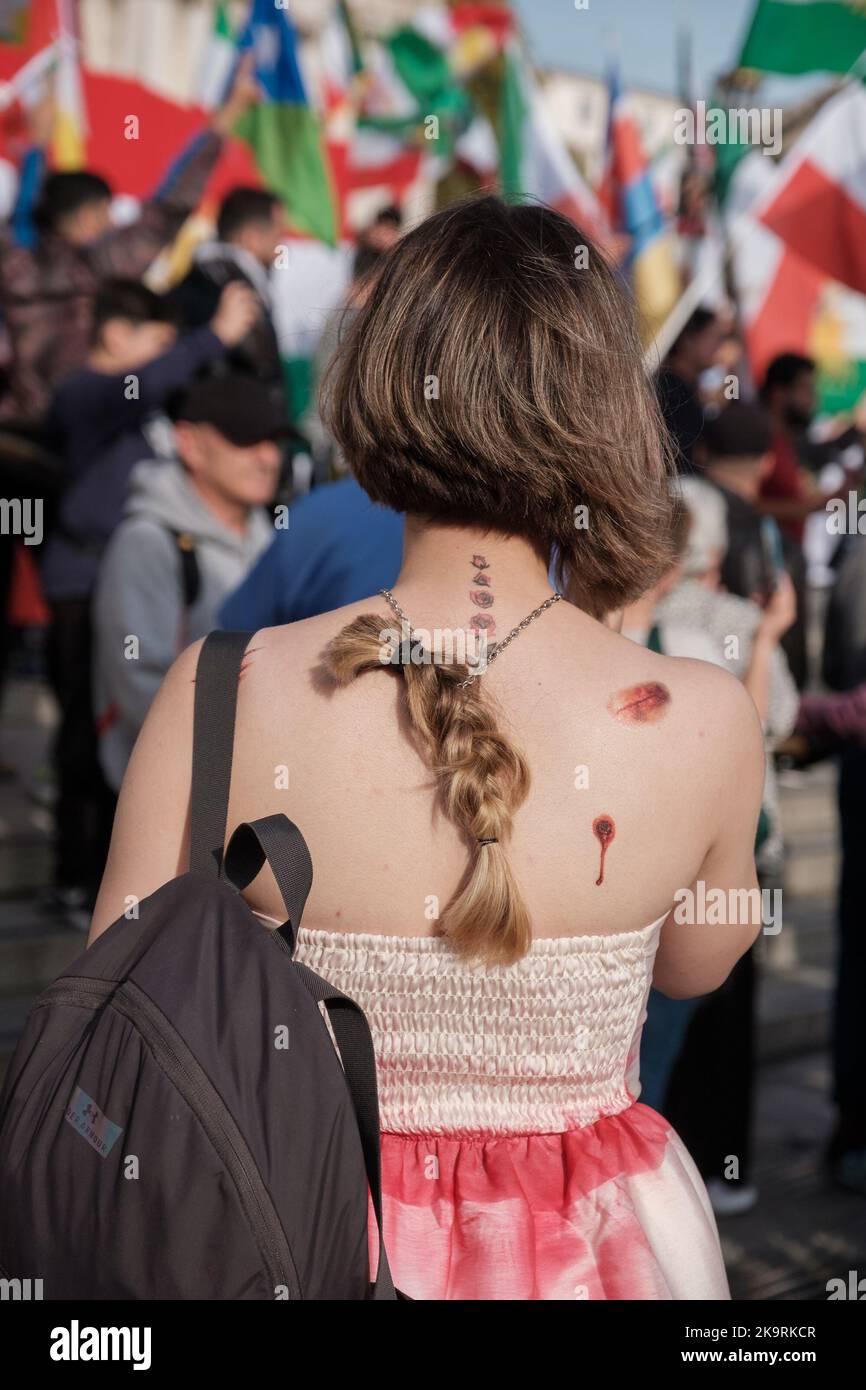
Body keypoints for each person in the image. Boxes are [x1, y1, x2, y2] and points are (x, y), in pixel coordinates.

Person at [90, 196, 767, 1301]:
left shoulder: (224, 688)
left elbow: (117, 992)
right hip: (596, 1249)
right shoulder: (698, 713)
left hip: (286, 1231)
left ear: (379, 381)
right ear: (604, 408)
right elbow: (696, 961)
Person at [38, 277, 257, 921]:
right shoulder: (86, 393)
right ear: (113, 334)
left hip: (132, 572)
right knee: (85, 727)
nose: (167, 359)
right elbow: (153, 382)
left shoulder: (138, 403)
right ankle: (75, 876)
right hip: (81, 582)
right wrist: (212, 336)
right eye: (158, 343)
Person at [0, 61, 259, 432]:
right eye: (106, 215)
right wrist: (230, 113)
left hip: (16, 433)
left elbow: (25, 214)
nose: (112, 225)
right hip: (79, 438)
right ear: (89, 218)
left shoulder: (13, 263)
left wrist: (37, 146)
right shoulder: (95, 268)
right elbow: (170, 209)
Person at [92, 372, 282, 794]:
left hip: (243, 791)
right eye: (245, 439)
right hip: (167, 799)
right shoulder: (146, 541)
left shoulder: (272, 538)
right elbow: (138, 684)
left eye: (274, 439)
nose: (268, 456)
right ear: (189, 443)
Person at [167, 185, 285, 392]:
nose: (280, 250)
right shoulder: (231, 289)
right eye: (277, 236)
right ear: (252, 239)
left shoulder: (200, 279)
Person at [655, 306, 722, 474]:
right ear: (688, 341)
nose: (719, 346)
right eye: (712, 337)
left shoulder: (687, 388)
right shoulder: (672, 391)